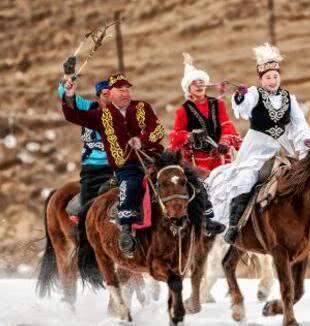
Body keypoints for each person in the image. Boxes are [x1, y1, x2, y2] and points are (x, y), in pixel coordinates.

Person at [206, 43, 310, 244]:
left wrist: (306, 141)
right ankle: (235, 226)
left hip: (282, 148)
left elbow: (299, 124)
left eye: (275, 77)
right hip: (257, 149)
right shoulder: (255, 93)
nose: (272, 81)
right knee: (246, 178)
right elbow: (244, 109)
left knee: (305, 181)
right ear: (261, 79)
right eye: (268, 77)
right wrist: (240, 96)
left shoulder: (289, 98)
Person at [61, 73, 165, 257]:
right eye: (120, 89)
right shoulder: (102, 115)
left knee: (182, 176)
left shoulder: (142, 107)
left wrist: (141, 139)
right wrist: (69, 95)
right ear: (111, 93)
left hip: (154, 159)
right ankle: (126, 231)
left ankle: (205, 217)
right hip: (128, 166)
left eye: (127, 89)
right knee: (130, 186)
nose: (125, 93)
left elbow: (157, 130)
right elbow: (73, 115)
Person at [57, 56, 113, 233]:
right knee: (87, 211)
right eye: (106, 94)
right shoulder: (88, 108)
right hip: (93, 168)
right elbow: (66, 96)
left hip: (116, 167)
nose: (110, 98)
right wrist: (68, 74)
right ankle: (85, 244)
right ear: (98, 97)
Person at [168, 53, 241, 173]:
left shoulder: (217, 104)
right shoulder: (183, 110)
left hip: (222, 156)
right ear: (188, 88)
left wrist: (224, 142)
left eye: (201, 82)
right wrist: (190, 136)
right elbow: (176, 135)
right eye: (194, 83)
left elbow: (226, 124)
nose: (199, 85)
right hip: (198, 161)